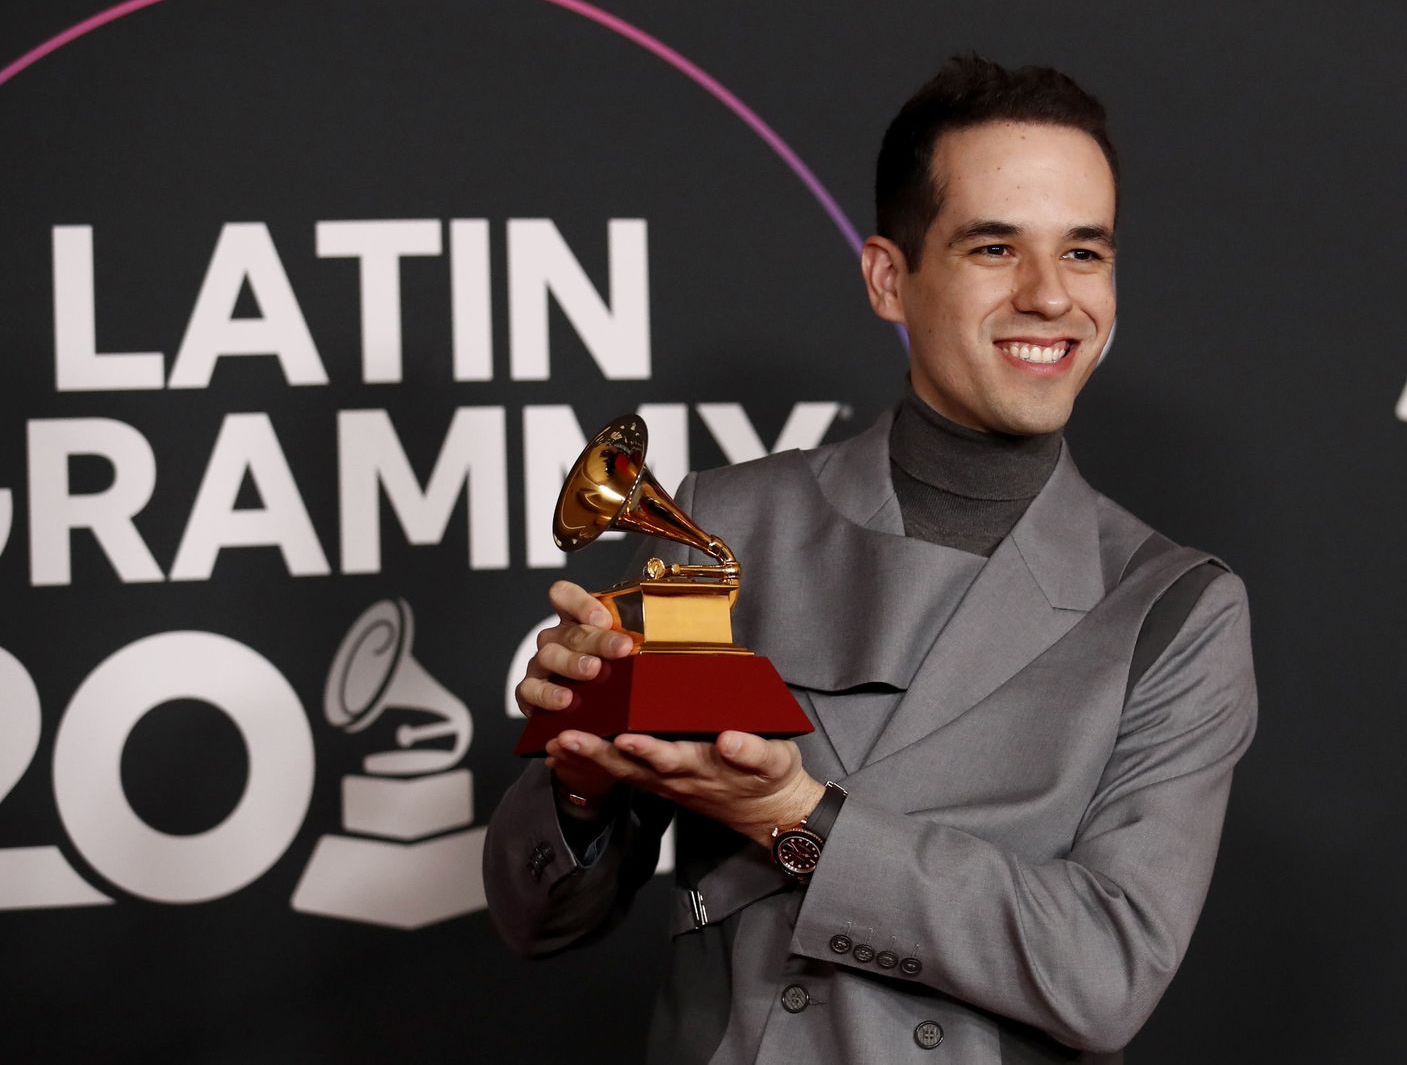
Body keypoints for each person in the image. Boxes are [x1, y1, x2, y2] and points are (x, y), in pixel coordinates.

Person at [484, 55, 1257, 1065]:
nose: (1048, 296)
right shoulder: (729, 522)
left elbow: (1103, 972)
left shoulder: (1174, 606)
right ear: (890, 277)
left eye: (1083, 252)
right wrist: (578, 780)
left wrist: (793, 817)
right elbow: (541, 918)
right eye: (994, 247)